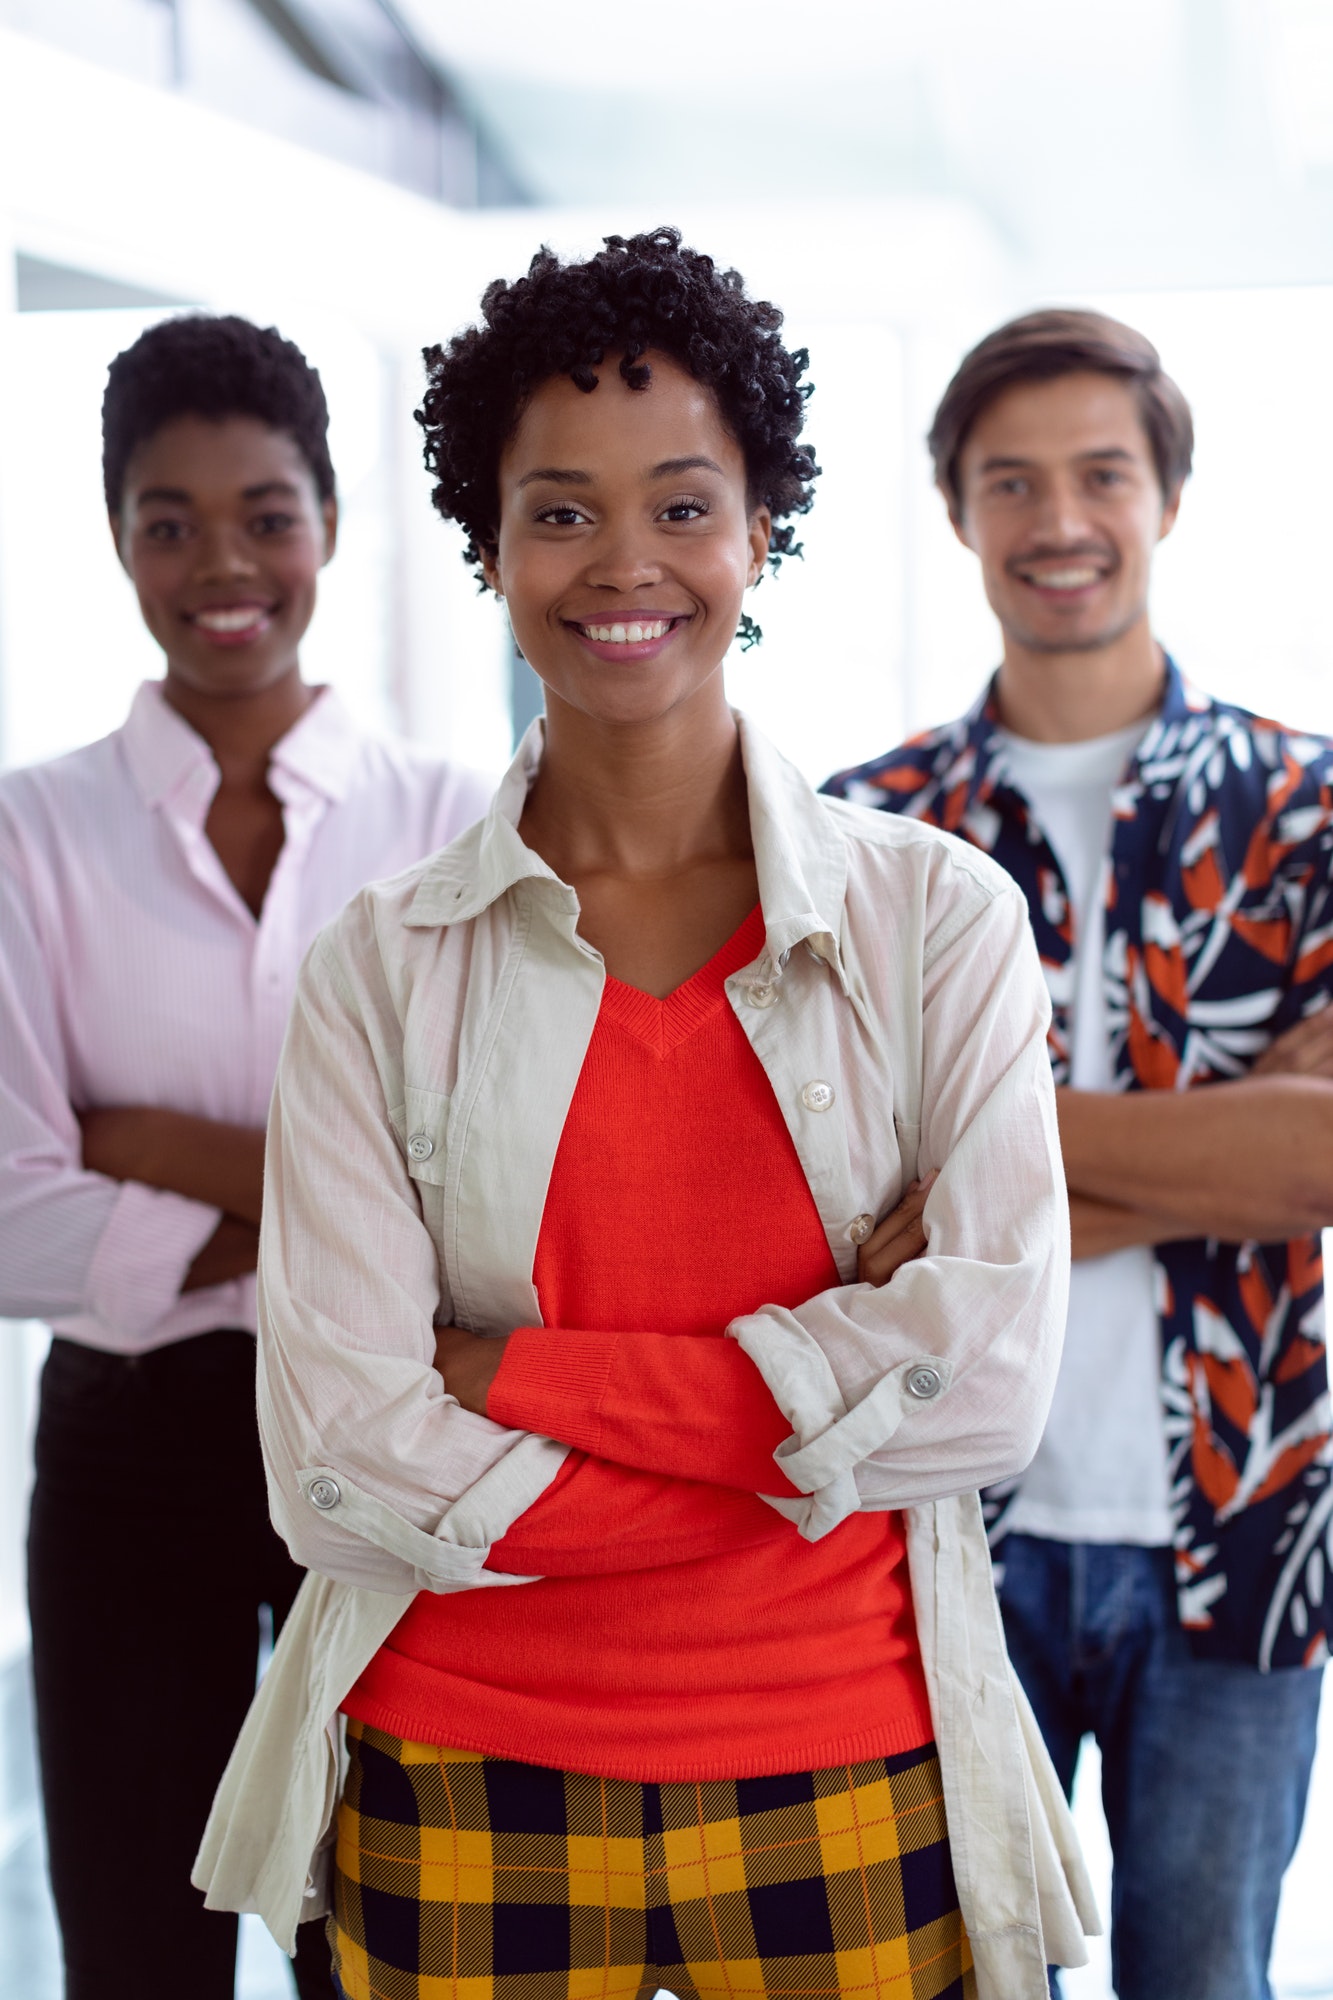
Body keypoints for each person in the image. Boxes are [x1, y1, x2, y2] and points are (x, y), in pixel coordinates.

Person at [195, 229, 1096, 2000]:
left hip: (849, 1763)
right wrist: (818, 1442)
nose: (626, 565)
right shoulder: (382, 966)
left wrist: (510, 1374)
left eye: (683, 507)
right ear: (490, 542)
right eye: (560, 511)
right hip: (464, 1765)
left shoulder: (935, 925)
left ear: (761, 531)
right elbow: (336, 1468)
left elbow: (985, 1387)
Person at [822, 308, 1332, 2000]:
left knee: (1204, 1981)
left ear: (1165, 498)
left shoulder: (1310, 814)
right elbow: (844, 1209)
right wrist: (1213, 1151)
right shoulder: (862, 834)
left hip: (1244, 1516)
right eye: (1010, 481)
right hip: (936, 1534)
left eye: (1099, 474)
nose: (1058, 520)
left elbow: (1316, 1167)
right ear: (956, 511)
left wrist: (977, 1170)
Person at [0, 313, 493, 2000]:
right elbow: (5, 1218)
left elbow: (488, 1186)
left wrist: (151, 1149)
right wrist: (335, 1188)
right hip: (132, 1452)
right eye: (168, 518)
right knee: (142, 1943)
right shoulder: (29, 831)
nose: (223, 562)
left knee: (409, 1935)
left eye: (265, 513)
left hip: (397, 1420)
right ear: (118, 538)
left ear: (331, 527)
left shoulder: (454, 818)